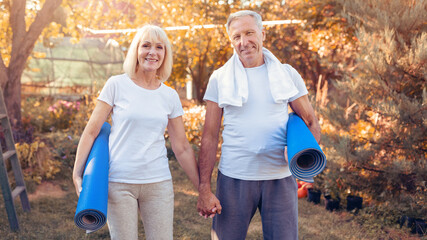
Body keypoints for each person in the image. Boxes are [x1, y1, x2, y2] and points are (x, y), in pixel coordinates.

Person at [196, 10, 321, 240]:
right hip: (234, 178)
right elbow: (209, 136)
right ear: (231, 40)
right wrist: (204, 189)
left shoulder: (287, 74)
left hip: (280, 178)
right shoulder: (219, 78)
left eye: (249, 33)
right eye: (237, 36)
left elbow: (310, 121)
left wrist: (302, 160)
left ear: (263, 34)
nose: (244, 42)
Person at [72, 25, 199, 240]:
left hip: (158, 183)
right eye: (146, 45)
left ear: (165, 54)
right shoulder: (116, 85)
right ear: (136, 50)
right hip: (119, 182)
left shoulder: (169, 95)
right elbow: (91, 132)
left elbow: (182, 147)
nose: (152, 52)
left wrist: (202, 189)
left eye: (159, 47)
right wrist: (76, 173)